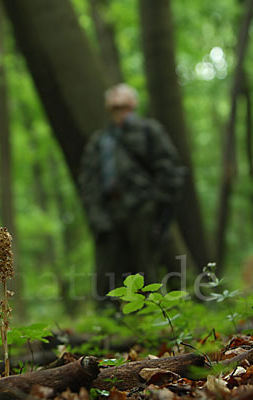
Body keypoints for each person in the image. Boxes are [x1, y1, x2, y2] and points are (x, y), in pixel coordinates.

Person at [79, 83, 185, 303]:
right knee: (106, 271)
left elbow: (169, 169)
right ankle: (107, 324)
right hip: (108, 212)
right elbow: (88, 180)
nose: (116, 96)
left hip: (141, 209)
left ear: (133, 102)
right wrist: (96, 214)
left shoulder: (149, 131)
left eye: (122, 93)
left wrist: (156, 204)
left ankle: (150, 316)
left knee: (144, 266)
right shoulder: (100, 140)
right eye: (113, 94)